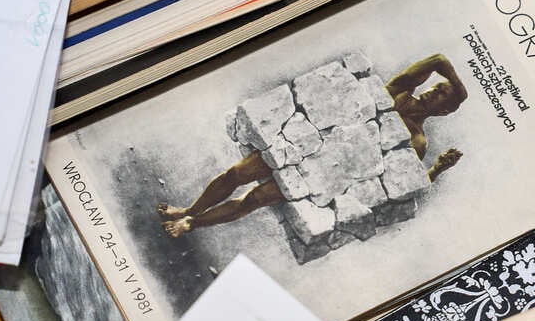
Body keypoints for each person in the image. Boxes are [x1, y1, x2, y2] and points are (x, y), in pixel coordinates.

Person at [159, 53, 468, 238]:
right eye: (437, 86)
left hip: (324, 171)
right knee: (236, 174)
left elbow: (402, 184)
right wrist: (458, 86)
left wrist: (437, 169)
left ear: (444, 111)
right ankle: (190, 209)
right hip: (308, 141)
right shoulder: (398, 92)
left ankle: (191, 223)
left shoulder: (416, 139)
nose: (432, 91)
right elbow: (439, 60)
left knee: (253, 200)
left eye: (442, 94)